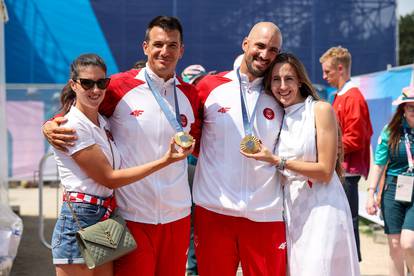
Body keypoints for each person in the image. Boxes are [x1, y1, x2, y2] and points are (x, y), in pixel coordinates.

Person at [43, 16, 202, 276]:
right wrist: (50, 124)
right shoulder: (117, 86)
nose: (165, 51)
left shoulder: (191, 95)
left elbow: (201, 141)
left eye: (172, 45)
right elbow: (82, 108)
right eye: (158, 44)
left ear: (181, 49)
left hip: (178, 216)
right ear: (145, 47)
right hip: (131, 216)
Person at [241, 52, 360, 275]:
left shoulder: (320, 109)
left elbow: (325, 171)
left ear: (300, 81)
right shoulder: (277, 115)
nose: (282, 86)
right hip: (292, 209)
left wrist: (277, 160)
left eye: (289, 79)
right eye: (276, 79)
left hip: (323, 206)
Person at [193, 22, 286, 275]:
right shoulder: (209, 86)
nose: (265, 55)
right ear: (246, 44)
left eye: (273, 50)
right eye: (260, 46)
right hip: (214, 210)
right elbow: (193, 139)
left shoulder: (280, 92)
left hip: (265, 212)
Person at [320, 46, 373, 261]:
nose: (324, 76)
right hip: (340, 169)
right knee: (340, 225)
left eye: (328, 72)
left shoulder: (352, 97)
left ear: (340, 68)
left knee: (346, 223)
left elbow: (356, 138)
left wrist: (324, 147)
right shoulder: (341, 96)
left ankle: (350, 266)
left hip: (347, 172)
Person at [366, 86, 414, 276]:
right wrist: (371, 193)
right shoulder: (391, 131)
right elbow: (378, 164)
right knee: (395, 246)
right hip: (394, 189)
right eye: (410, 107)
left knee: (408, 243)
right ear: (403, 109)